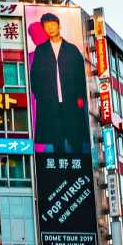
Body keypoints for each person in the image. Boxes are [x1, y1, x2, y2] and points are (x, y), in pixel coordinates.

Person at [26, 12, 90, 156]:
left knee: (75, 135)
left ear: (59, 26)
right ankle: (59, 162)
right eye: (47, 26)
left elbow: (80, 75)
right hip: (50, 102)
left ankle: (78, 160)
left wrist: (81, 97)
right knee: (56, 137)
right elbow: (34, 76)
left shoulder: (72, 49)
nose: (50, 28)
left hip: (71, 100)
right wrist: (40, 96)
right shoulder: (41, 50)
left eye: (53, 25)